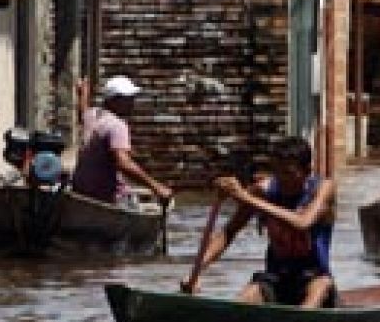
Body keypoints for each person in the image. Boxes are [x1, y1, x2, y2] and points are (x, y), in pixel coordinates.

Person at [183, 136, 337, 308]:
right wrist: (196, 272)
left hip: (314, 278)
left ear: (307, 171)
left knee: (321, 286)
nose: (281, 179)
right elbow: (229, 232)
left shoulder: (322, 188)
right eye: (277, 172)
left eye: (288, 173)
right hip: (276, 278)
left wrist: (246, 198)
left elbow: (303, 222)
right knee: (246, 297)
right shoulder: (263, 191)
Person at [73, 74, 175, 205]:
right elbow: (124, 164)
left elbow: (83, 110)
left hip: (81, 192)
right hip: (103, 197)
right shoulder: (117, 126)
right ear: (115, 100)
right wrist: (156, 187)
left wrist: (83, 94)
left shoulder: (92, 115)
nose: (132, 103)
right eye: (128, 99)